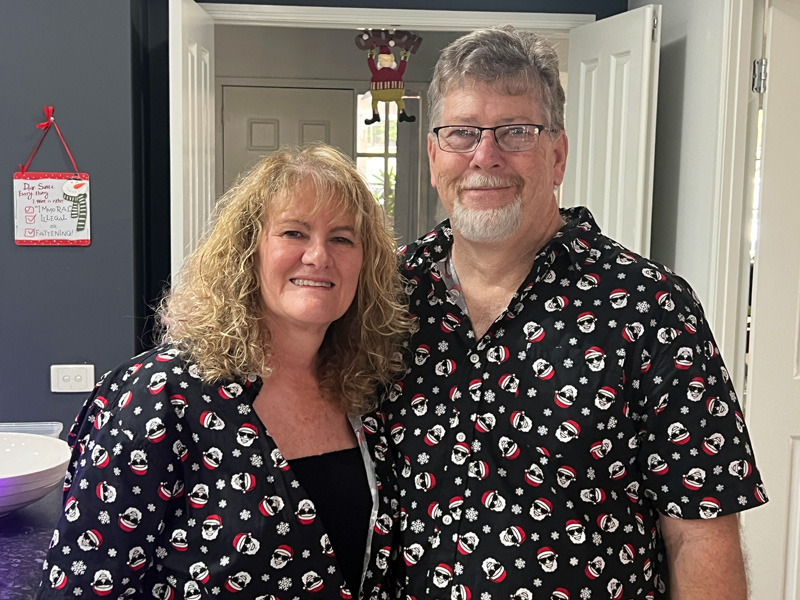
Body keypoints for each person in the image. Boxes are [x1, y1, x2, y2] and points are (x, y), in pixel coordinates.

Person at [383, 26, 768, 599]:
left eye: (516, 132)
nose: (484, 156)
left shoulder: (651, 307)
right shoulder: (383, 296)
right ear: (435, 154)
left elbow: (700, 533)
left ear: (557, 155)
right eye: (462, 133)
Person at [37, 145, 408, 600]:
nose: (318, 255)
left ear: (365, 263)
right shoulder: (159, 394)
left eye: (342, 238)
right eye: (294, 232)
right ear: (248, 251)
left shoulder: (366, 393)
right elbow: (83, 584)